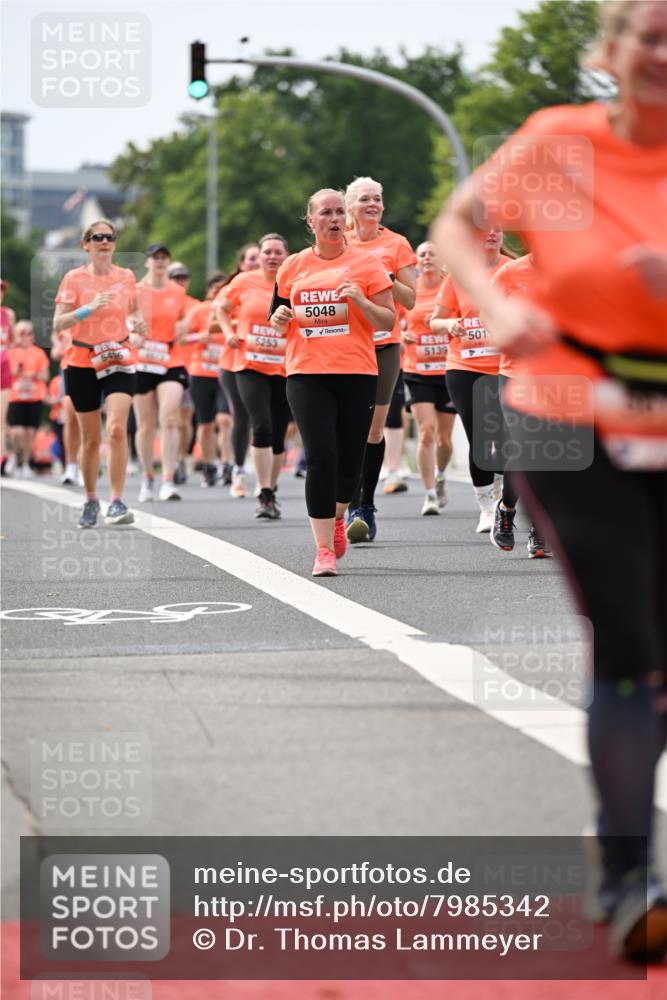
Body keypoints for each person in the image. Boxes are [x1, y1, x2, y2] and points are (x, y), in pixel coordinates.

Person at [431, 0, 667, 962]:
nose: (663, 54)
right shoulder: (559, 145)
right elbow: (458, 223)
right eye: (649, 34)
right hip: (565, 411)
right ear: (610, 50)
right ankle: (630, 874)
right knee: (629, 638)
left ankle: (619, 832)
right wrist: (494, 307)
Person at [271, 188, 395, 576]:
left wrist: (361, 300)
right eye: (326, 212)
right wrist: (279, 319)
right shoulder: (292, 266)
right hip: (306, 373)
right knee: (320, 457)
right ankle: (323, 549)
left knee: (349, 464)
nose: (335, 218)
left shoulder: (367, 263)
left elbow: (388, 320)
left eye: (340, 211)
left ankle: (339, 516)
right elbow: (278, 314)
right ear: (311, 221)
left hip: (357, 372)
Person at [53, 218, 144, 528]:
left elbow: (133, 311)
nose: (104, 241)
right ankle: (91, 499)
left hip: (118, 355)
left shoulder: (126, 276)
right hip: (81, 360)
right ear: (86, 244)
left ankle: (116, 501)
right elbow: (59, 323)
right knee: (91, 439)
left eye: (110, 237)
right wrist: (88, 309)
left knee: (117, 429)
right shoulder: (73, 278)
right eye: (97, 237)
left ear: (114, 244)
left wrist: (137, 326)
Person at [343, 177, 417, 543]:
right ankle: (348, 501)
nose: (372, 204)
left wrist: (381, 273)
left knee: (373, 430)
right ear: (350, 207)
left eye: (377, 199)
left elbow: (411, 299)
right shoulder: (339, 242)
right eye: (364, 199)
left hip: (385, 346)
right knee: (347, 430)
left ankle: (364, 507)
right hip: (344, 346)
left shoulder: (396, 244)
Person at [430, 227, 511, 532]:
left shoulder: (513, 270)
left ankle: (501, 491)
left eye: (497, 228)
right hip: (464, 366)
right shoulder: (460, 274)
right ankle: (487, 508)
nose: (491, 233)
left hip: (506, 367)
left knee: (505, 439)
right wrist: (449, 323)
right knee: (480, 437)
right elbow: (435, 321)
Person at [216, 233, 290, 519]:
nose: (272, 257)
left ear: (286, 256)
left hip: (284, 366)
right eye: (267, 252)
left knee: (279, 432)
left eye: (278, 252)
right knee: (261, 425)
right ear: (259, 256)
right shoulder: (243, 281)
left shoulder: (294, 281)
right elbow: (221, 309)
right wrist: (229, 333)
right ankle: (264, 492)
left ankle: (272, 486)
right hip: (249, 364)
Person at [488, 253, 551, 558]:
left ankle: (540, 527)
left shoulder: (573, 269)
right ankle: (506, 508)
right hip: (516, 373)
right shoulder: (510, 272)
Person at [401, 242, 455, 515]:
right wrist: (402, 336)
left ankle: (441, 475)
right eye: (422, 254)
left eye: (432, 254)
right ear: (416, 261)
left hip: (448, 370)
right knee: (427, 432)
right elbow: (391, 321)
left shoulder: (451, 286)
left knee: (444, 440)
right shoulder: (410, 289)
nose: (427, 258)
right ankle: (430, 493)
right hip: (417, 370)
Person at [133, 243, 189, 502]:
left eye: (164, 257)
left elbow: (185, 319)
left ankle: (168, 479)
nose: (160, 262)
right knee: (145, 424)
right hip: (142, 360)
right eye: (155, 257)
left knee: (169, 417)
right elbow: (123, 320)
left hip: (170, 358)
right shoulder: (135, 291)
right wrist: (131, 333)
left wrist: (183, 326)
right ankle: (147, 477)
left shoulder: (177, 292)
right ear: (147, 261)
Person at [217, 244, 259, 497]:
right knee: (242, 416)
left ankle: (265, 475)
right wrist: (240, 323)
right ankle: (239, 470)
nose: (256, 262)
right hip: (234, 361)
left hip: (268, 360)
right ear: (242, 263)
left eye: (259, 257)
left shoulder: (277, 284)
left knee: (266, 418)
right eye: (251, 258)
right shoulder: (232, 287)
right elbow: (213, 322)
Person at [185, 272, 228, 487]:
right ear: (208, 291)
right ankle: (209, 464)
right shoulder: (198, 311)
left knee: (225, 420)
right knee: (206, 424)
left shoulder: (231, 310)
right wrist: (196, 337)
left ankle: (228, 465)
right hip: (201, 373)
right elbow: (180, 338)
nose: (218, 292)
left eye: (222, 288)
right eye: (215, 288)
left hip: (226, 373)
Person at [168, 260, 202, 485]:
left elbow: (204, 331)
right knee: (169, 418)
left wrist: (189, 337)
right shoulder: (162, 302)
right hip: (166, 367)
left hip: (189, 367)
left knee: (185, 420)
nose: (180, 281)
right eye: (175, 277)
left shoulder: (195, 306)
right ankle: (170, 460)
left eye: (183, 277)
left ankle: (181, 457)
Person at [6, 321, 49, 477]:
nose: (26, 336)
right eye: (22, 333)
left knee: (30, 433)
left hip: (34, 397)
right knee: (16, 432)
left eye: (29, 333)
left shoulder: (38, 353)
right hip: (15, 397)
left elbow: (45, 375)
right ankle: (15, 456)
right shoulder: (10, 353)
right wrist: (16, 372)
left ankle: (25, 464)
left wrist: (34, 375)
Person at [50, 328, 82, 485]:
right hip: (69, 365)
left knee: (88, 417)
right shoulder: (64, 315)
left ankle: (86, 464)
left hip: (93, 364)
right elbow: (56, 332)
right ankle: (71, 465)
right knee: (70, 416)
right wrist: (57, 345)